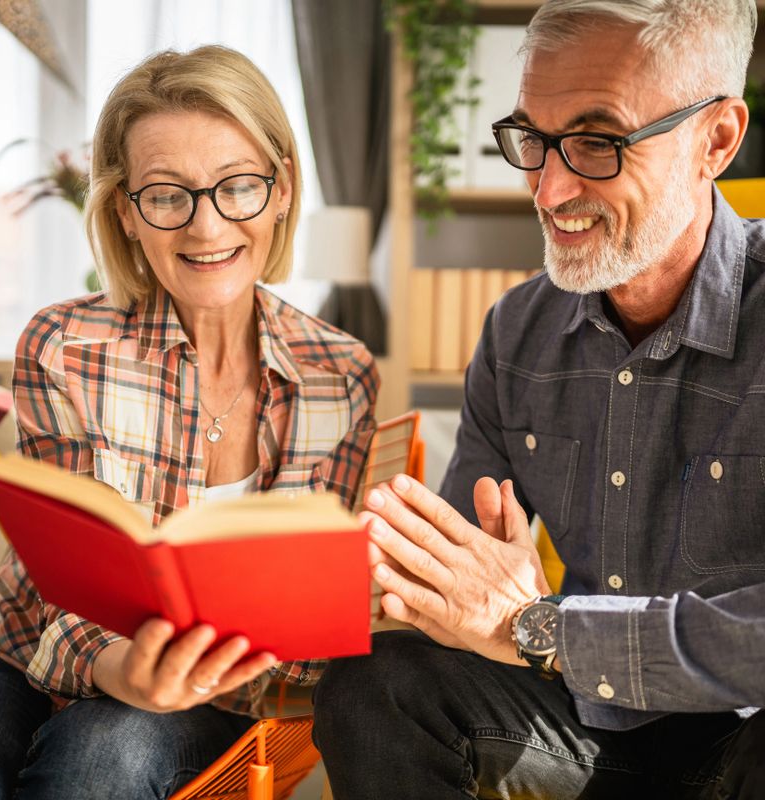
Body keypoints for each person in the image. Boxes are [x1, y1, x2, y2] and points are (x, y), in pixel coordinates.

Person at [313, 1, 765, 798]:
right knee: (376, 682)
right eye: (534, 139)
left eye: (597, 141)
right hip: (580, 725)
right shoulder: (516, 331)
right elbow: (455, 592)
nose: (549, 190)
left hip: (743, 735)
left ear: (716, 140)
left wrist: (544, 628)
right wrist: (380, 577)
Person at [0, 45, 378, 800]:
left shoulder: (341, 374)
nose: (206, 224)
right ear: (126, 211)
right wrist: (115, 665)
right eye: (167, 195)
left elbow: (315, 631)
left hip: (219, 698)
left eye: (238, 187)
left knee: (107, 753)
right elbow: (54, 576)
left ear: (281, 190)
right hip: (29, 653)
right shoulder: (65, 346)